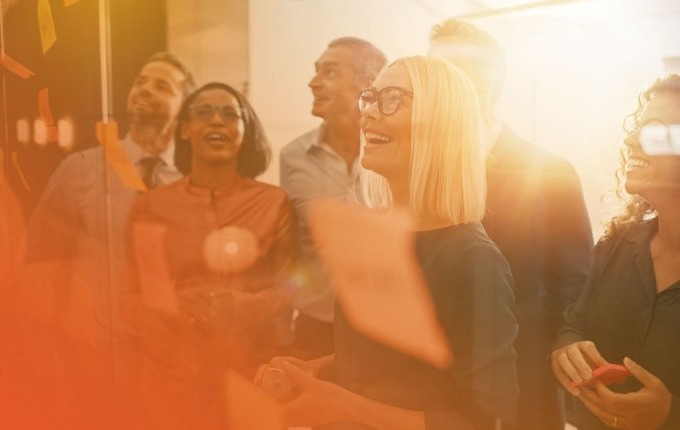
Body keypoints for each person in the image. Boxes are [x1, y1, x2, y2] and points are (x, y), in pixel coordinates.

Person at [259, 56, 518, 430]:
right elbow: (400, 364)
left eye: (392, 98)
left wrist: (344, 406)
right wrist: (320, 370)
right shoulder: (375, 239)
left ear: (441, 123)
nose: (367, 114)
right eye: (370, 97)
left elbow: (491, 421)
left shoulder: (473, 259)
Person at [13, 52, 194, 429]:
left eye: (161, 86)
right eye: (140, 81)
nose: (144, 90)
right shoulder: (79, 170)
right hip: (95, 354)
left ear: (183, 109)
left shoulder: (193, 183)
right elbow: (39, 268)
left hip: (172, 360)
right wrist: (46, 354)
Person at [428, 19, 594, 430]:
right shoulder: (415, 173)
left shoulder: (551, 172)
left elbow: (574, 292)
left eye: (457, 69)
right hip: (429, 387)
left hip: (522, 389)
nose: (442, 84)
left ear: (493, 84)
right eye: (434, 71)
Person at [123, 82, 297, 430]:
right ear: (185, 129)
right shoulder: (152, 206)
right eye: (203, 113)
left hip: (252, 373)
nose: (217, 121)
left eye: (230, 114)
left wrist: (246, 306)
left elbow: (293, 287)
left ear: (244, 131)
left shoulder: (272, 202)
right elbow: (129, 299)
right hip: (171, 378)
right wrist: (174, 305)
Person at [551, 74, 680, 430]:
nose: (629, 139)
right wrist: (567, 350)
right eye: (636, 127)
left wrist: (671, 414)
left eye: (653, 131)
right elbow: (574, 323)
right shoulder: (616, 244)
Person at [280, 37, 387, 359]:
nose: (312, 83)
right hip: (316, 331)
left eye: (329, 72)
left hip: (387, 333)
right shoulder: (293, 157)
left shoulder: (400, 153)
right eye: (316, 71)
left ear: (368, 84)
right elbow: (291, 246)